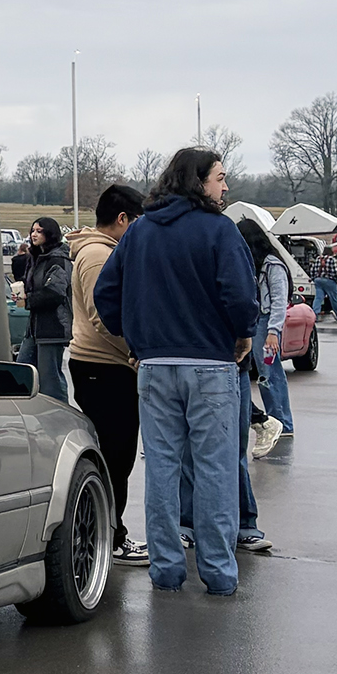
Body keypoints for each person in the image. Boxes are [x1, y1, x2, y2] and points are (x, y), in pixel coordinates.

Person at [94, 147, 261, 595]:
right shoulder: (220, 231)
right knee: (215, 470)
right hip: (210, 365)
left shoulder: (140, 230)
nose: (225, 187)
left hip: (154, 366)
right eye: (220, 178)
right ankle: (219, 572)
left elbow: (106, 292)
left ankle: (166, 568)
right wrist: (242, 334)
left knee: (162, 469)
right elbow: (241, 296)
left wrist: (136, 340)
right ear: (198, 181)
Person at [66, 185, 147, 565]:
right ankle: (113, 537)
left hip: (103, 367)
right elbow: (104, 318)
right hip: (104, 367)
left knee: (117, 456)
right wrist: (137, 353)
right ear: (122, 219)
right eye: (138, 221)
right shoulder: (99, 255)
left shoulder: (101, 250)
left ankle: (109, 533)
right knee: (116, 457)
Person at [239, 218, 295, 449]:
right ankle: (276, 419)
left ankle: (282, 421)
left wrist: (274, 331)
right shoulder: (255, 264)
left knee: (269, 373)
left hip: (266, 324)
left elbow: (280, 301)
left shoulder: (272, 265)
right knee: (263, 374)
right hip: (255, 322)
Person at [20, 216, 72, 401]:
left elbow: (56, 293)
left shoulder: (57, 260)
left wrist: (29, 299)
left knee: (50, 379)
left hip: (52, 326)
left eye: (39, 231)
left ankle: (61, 414)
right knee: (22, 370)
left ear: (49, 234)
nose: (34, 234)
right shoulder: (36, 258)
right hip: (34, 327)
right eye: (32, 230)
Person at [309, 243, 337, 323]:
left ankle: (314, 315)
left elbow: (312, 270)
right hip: (329, 281)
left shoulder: (318, 258)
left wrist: (314, 278)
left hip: (318, 280)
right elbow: (334, 271)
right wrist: (336, 280)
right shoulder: (331, 259)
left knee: (318, 298)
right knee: (333, 299)